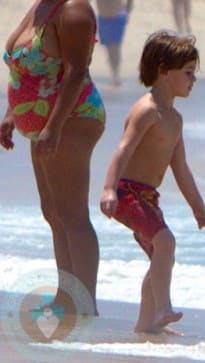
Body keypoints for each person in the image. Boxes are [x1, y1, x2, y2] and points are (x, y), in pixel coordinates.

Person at [100, 31, 205, 333]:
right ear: (164, 71)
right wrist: (109, 188)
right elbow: (123, 149)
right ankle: (162, 308)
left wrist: (198, 207)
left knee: (162, 256)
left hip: (149, 198)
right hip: (127, 193)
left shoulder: (174, 119)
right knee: (165, 243)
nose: (194, 80)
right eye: (188, 73)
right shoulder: (147, 110)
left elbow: (181, 168)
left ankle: (145, 324)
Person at [0, 0, 105, 314]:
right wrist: (11, 115)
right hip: (43, 122)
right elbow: (24, 71)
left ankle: (85, 306)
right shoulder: (40, 7)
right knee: (54, 213)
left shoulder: (74, 10)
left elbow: (76, 72)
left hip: (72, 119)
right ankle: (66, 297)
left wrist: (54, 127)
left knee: (72, 215)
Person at [95, 0, 133, 86]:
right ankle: (113, 72)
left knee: (115, 47)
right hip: (103, 17)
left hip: (117, 16)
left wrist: (128, 11)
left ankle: (115, 74)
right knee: (109, 47)